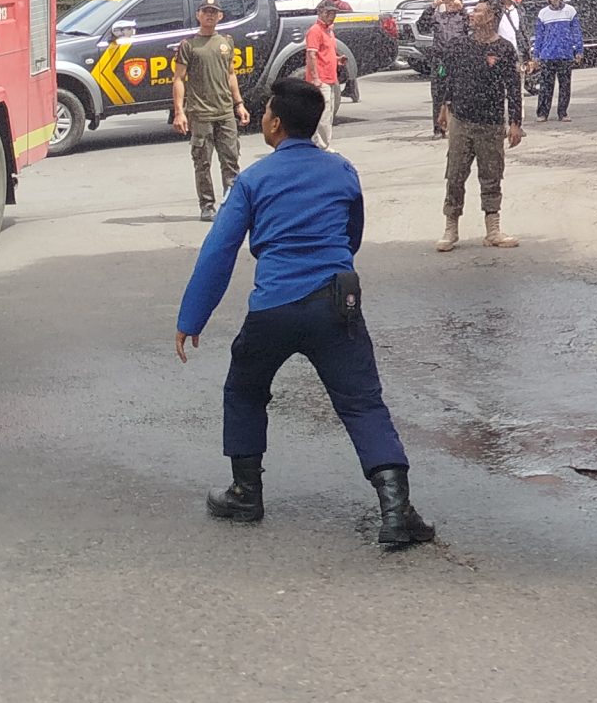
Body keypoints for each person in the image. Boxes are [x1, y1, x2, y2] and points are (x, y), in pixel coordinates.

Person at [174, 76, 434, 550]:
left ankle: (245, 494)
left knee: (245, 391)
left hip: (272, 307)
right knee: (361, 402)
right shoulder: (341, 170)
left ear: (274, 123)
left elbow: (219, 251)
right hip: (336, 304)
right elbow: (352, 234)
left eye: (268, 113)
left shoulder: (253, 179)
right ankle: (397, 512)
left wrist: (192, 317)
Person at [438, 0, 522, 253]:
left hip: (492, 123)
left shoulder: (505, 49)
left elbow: (513, 88)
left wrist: (515, 122)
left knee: (491, 175)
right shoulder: (459, 46)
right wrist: (444, 107)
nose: (472, 14)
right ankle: (450, 228)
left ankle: (493, 229)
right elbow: (447, 78)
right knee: (455, 175)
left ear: (490, 18)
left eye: (478, 11)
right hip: (461, 121)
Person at [169, 0, 251, 221]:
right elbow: (178, 79)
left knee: (231, 159)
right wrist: (179, 111)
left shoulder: (226, 42)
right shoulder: (188, 45)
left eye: (214, 12)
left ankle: (232, 204)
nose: (210, 15)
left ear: (220, 16)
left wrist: (239, 104)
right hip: (200, 113)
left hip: (225, 112)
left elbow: (231, 74)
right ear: (198, 15)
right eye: (206, 11)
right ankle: (207, 205)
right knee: (202, 162)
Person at [530, 0, 582, 122]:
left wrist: (579, 50)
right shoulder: (543, 14)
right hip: (548, 55)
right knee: (546, 87)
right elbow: (539, 36)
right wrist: (536, 55)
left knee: (565, 86)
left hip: (565, 54)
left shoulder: (570, 11)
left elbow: (576, 32)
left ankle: (563, 112)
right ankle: (542, 113)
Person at [426, 0, 472, 139]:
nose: (451, 3)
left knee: (460, 94)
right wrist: (432, 7)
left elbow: (474, 25)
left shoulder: (464, 17)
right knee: (439, 95)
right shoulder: (438, 16)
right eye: (448, 0)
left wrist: (463, 9)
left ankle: (459, 126)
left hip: (459, 60)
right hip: (440, 61)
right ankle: (438, 129)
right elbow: (422, 24)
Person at [300, 11, 341, 149]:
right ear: (322, 13)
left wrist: (338, 60)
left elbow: (327, 53)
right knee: (323, 114)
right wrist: (315, 78)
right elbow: (311, 55)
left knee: (329, 113)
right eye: (330, 13)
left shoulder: (329, 31)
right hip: (321, 79)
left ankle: (322, 144)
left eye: (334, 13)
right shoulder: (315, 30)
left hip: (330, 78)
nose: (333, 16)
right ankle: (321, 146)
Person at [324, 0, 362, 105]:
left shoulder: (323, 3)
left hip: (329, 39)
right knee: (349, 66)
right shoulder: (343, 6)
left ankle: (350, 90)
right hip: (344, 39)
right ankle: (352, 91)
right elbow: (352, 20)